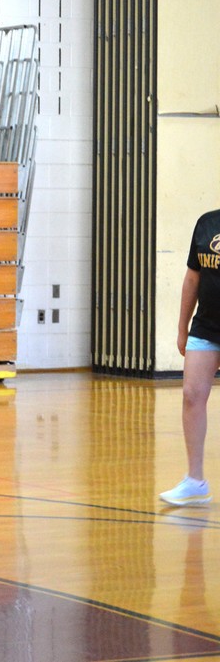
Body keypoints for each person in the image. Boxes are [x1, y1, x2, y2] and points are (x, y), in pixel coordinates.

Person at [159, 209, 220, 506]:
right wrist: (182, 328)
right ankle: (195, 482)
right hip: (205, 327)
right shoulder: (206, 223)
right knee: (192, 395)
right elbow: (192, 279)